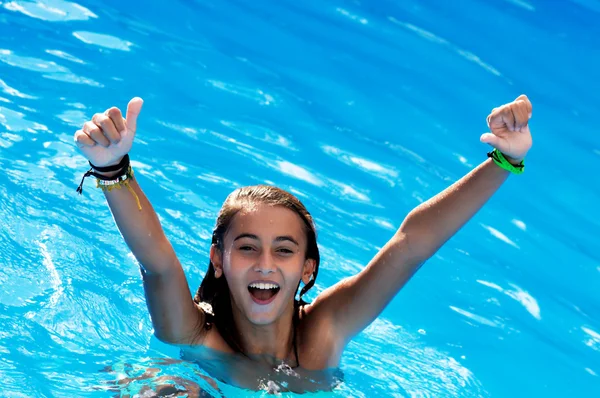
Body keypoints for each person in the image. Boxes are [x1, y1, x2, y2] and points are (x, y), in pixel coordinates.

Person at [74, 95, 532, 392]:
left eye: (285, 250)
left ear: (307, 270)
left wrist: (504, 160)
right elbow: (156, 262)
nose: (265, 264)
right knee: (170, 389)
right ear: (219, 260)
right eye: (248, 247)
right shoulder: (196, 333)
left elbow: (411, 243)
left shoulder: (323, 332)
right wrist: (114, 171)